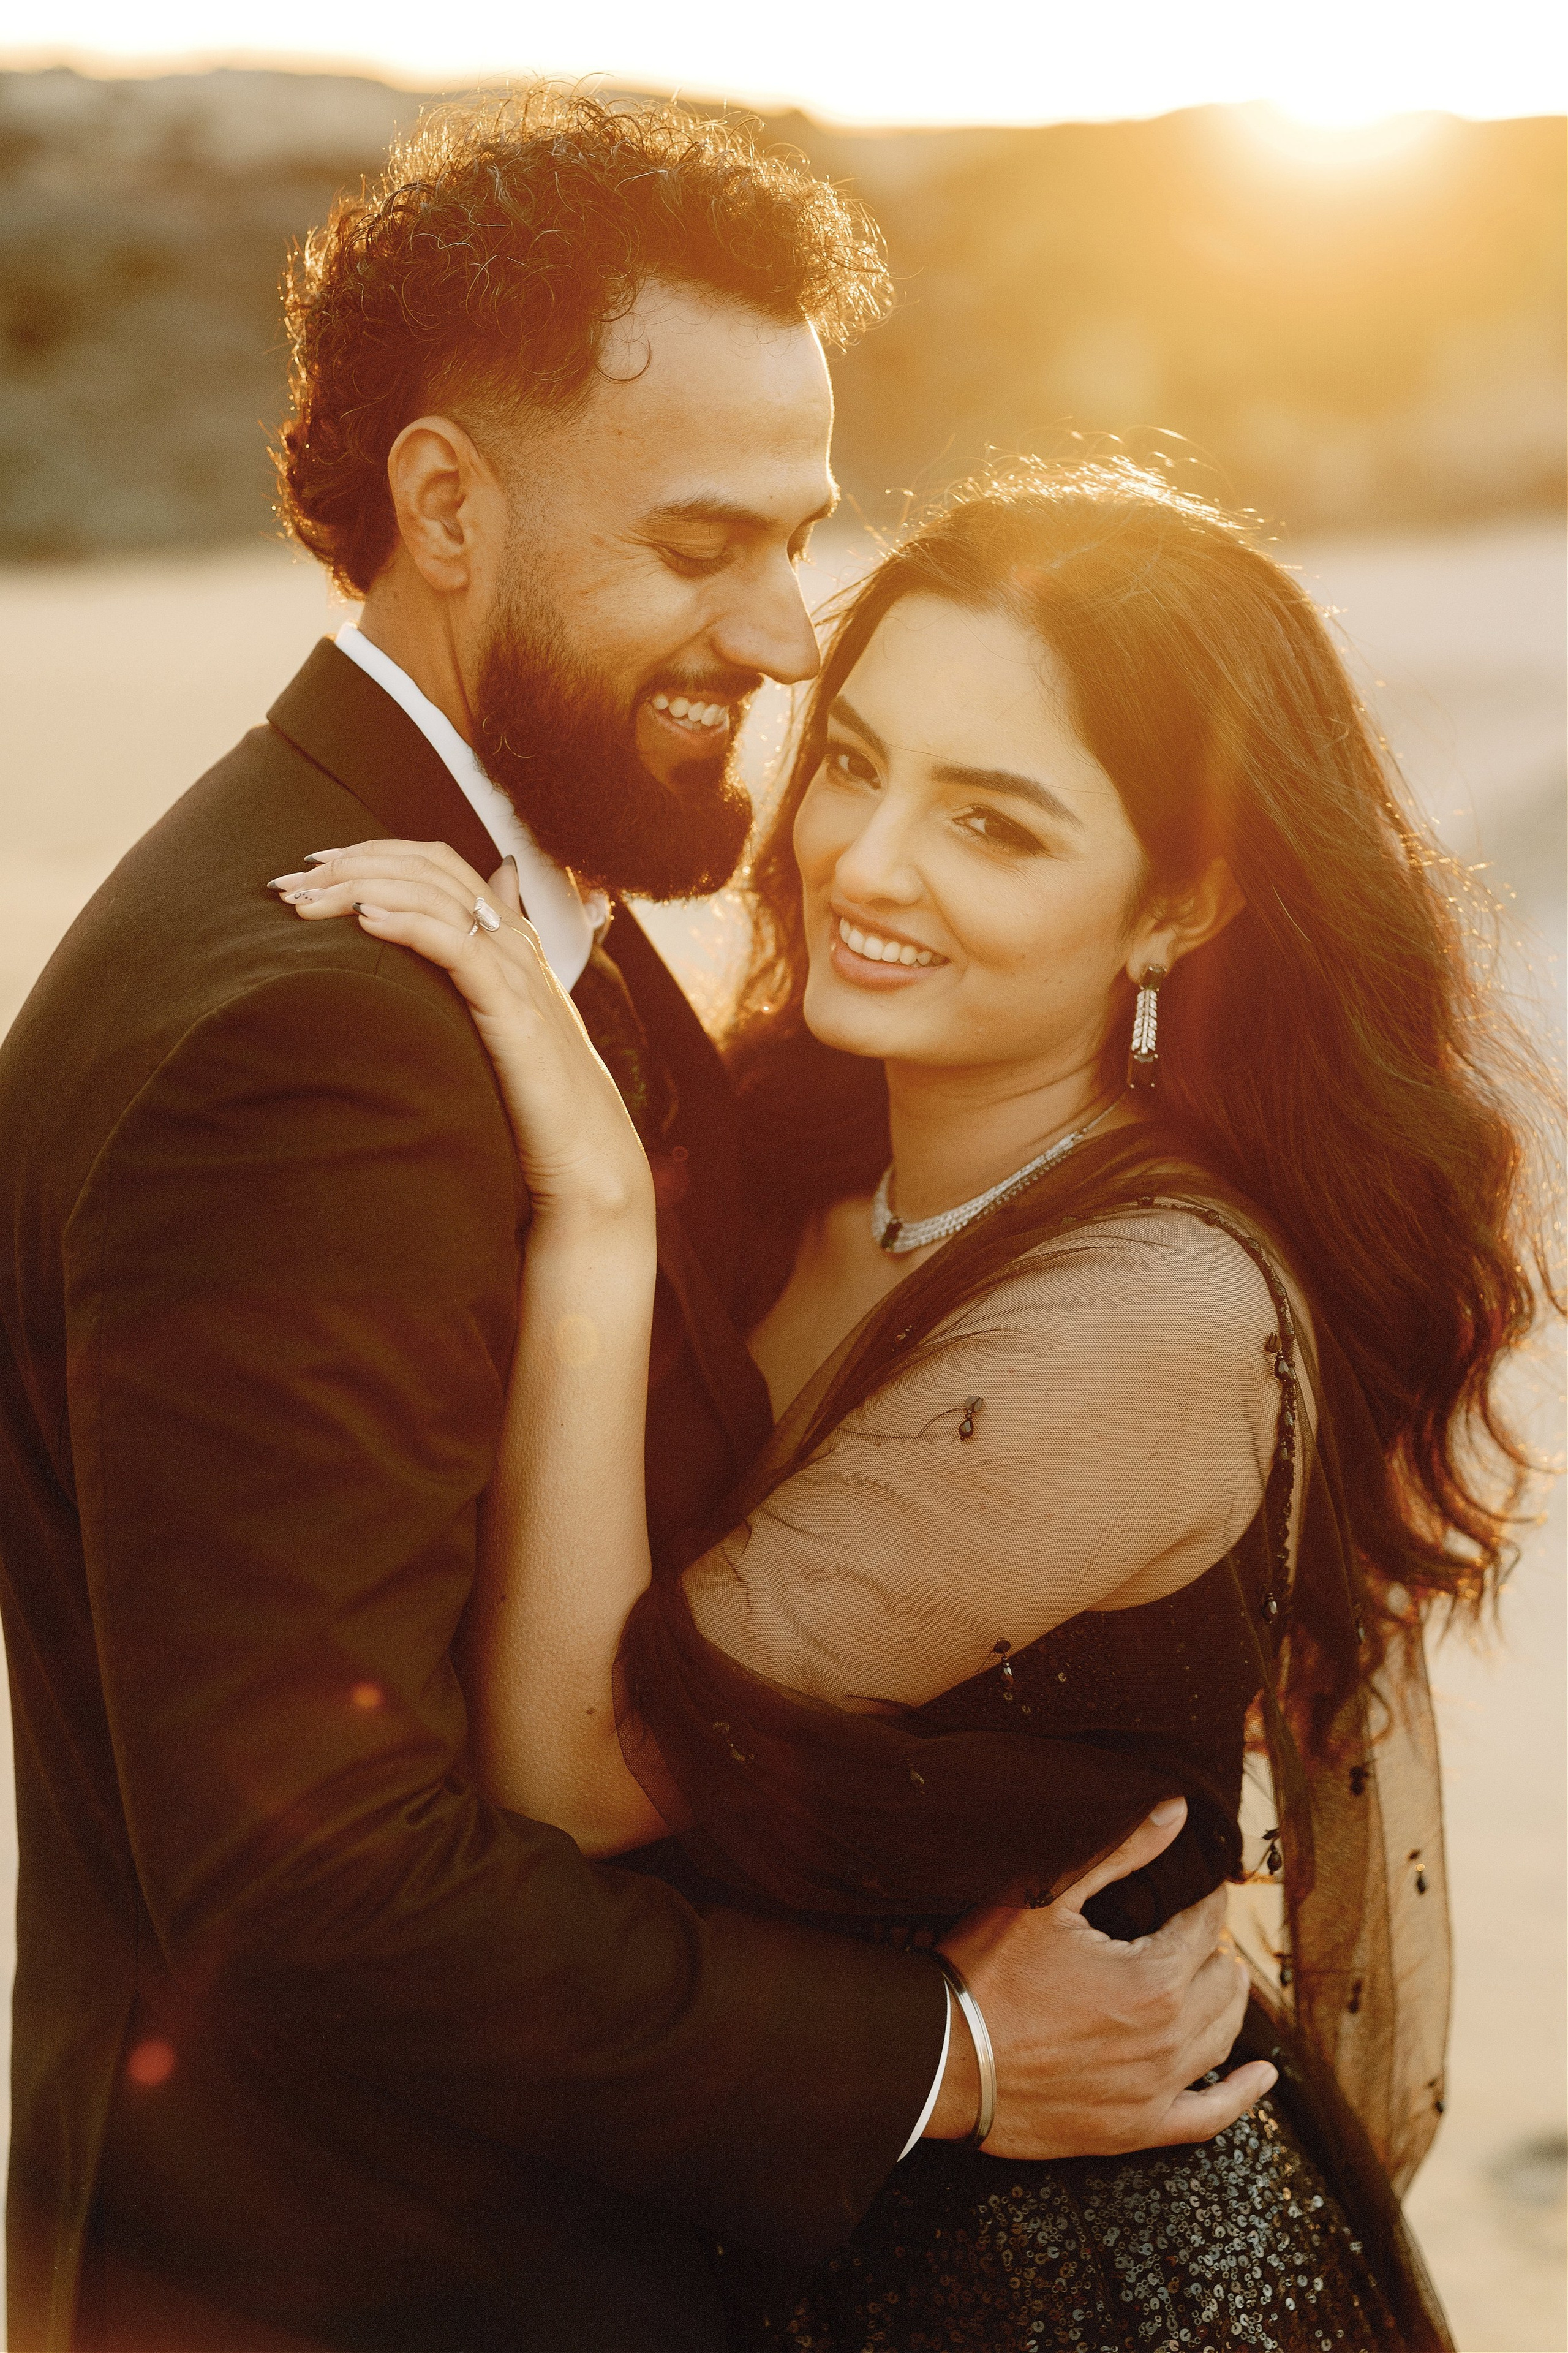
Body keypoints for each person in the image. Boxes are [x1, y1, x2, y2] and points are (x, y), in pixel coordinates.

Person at [0, 101, 1265, 2353]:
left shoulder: (516, 907)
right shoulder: (318, 1031)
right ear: (447, 506)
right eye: (701, 542)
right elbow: (320, 1883)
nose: (783, 636)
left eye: (800, 537)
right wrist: (953, 2057)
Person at [284, 461, 1553, 2352]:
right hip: (807, 2225)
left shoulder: (1145, 1320)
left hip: (1092, 2281)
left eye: (998, 826)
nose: (868, 862)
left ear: (1174, 906)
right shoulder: (795, 1152)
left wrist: (598, 1218)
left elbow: (574, 1768)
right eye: (858, 763)